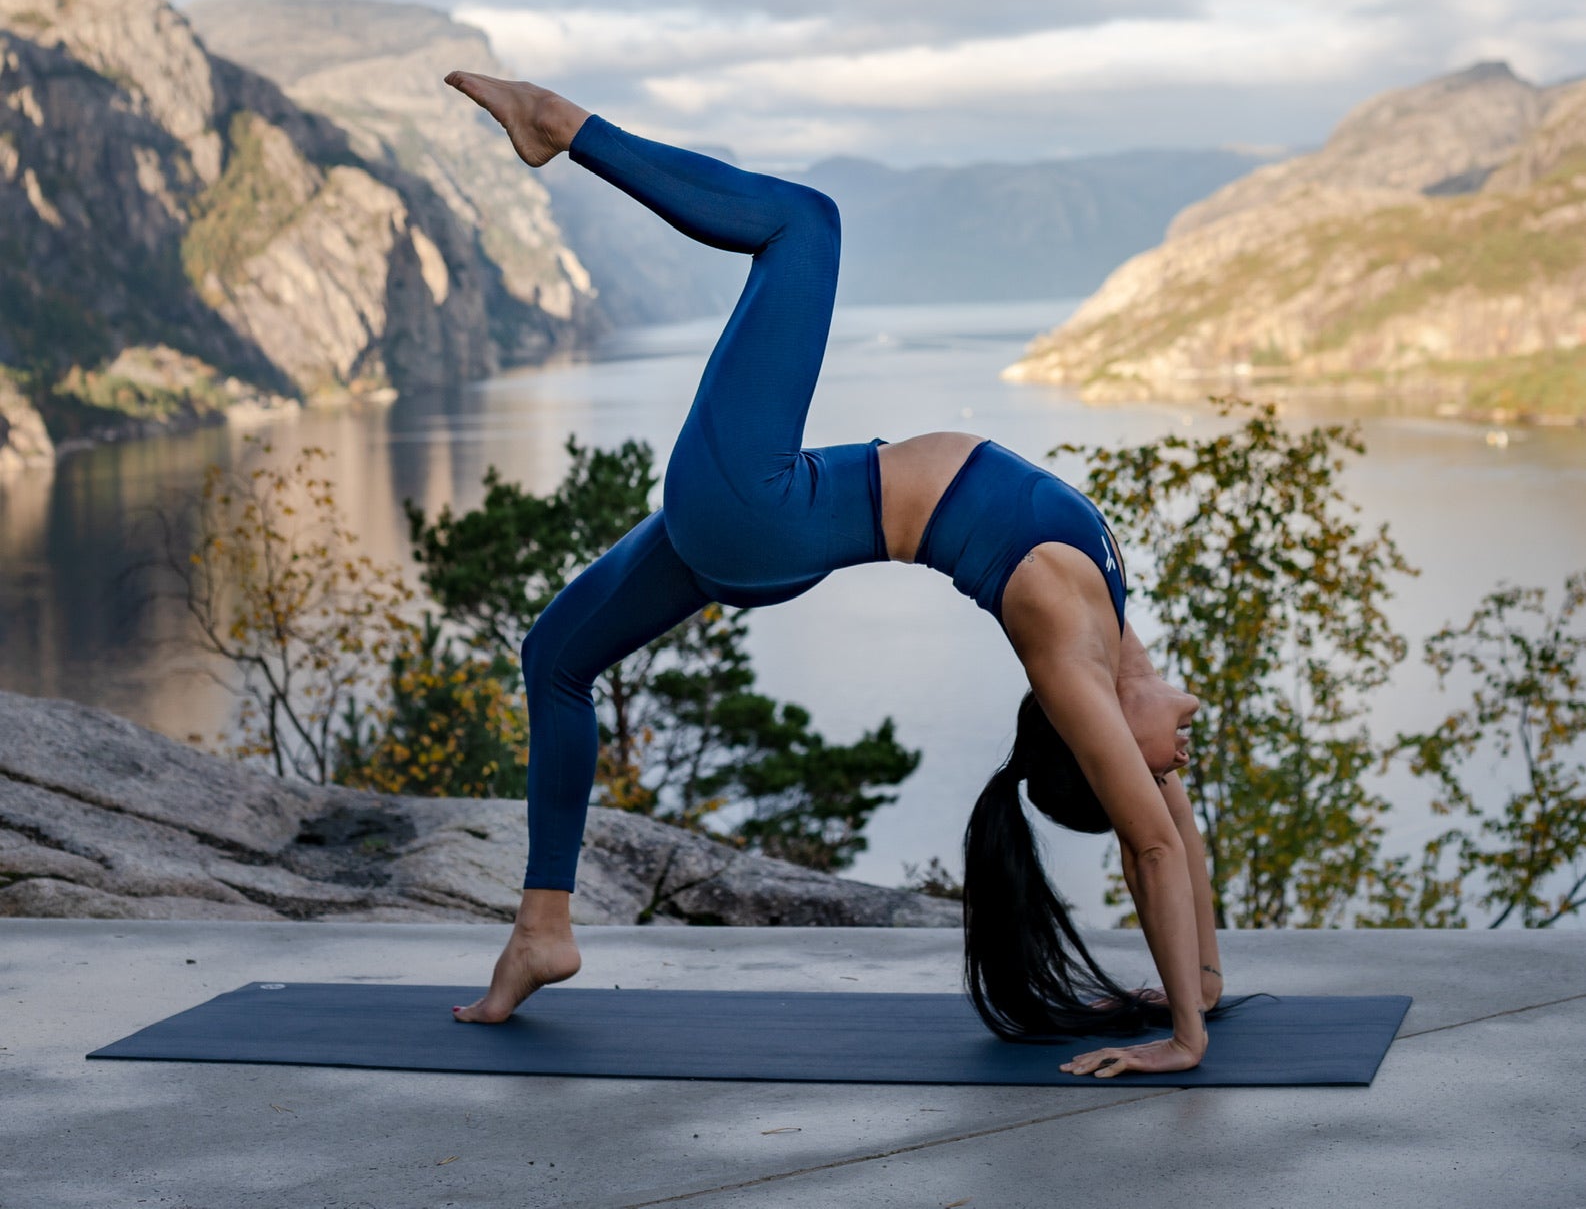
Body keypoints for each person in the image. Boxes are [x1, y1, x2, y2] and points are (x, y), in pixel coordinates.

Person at [444, 73, 1223, 1079]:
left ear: (1106, 744)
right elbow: (1166, 835)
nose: (1175, 771)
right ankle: (538, 932)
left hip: (760, 509)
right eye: (1169, 773)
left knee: (804, 225)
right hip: (783, 521)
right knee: (553, 657)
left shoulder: (1066, 646)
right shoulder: (1111, 636)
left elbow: (1150, 842)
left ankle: (563, 129)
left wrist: (1182, 1043)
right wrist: (1195, 983)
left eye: (1153, 772)